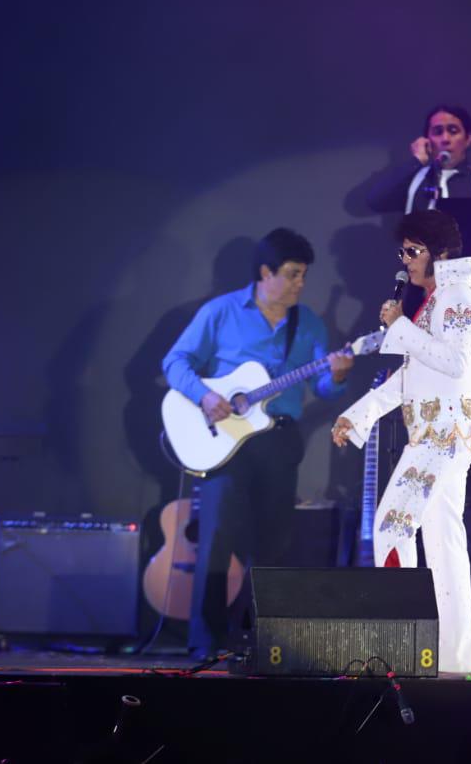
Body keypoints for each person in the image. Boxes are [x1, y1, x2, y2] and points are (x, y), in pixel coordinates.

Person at [162, 228, 352, 658]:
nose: (301, 284)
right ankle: (206, 643)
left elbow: (322, 387)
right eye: (292, 274)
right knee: (217, 538)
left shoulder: (310, 324)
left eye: (304, 275)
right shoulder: (221, 312)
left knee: (274, 542)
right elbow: (175, 362)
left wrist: (337, 375)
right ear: (265, 273)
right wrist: (206, 396)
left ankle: (261, 640)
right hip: (224, 442)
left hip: (279, 440)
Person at [331, 210, 471, 675]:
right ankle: (455, 661)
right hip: (438, 435)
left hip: (443, 436)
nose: (406, 263)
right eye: (403, 252)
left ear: (440, 254)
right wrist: (357, 416)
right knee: (443, 544)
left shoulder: (457, 298)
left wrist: (400, 328)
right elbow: (410, 378)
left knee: (393, 525)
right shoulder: (436, 301)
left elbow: (456, 364)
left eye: (414, 252)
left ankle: (400, 648)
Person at [366, 103, 471, 345]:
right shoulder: (418, 181)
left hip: (467, 299)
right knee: (413, 374)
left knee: (460, 377)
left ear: (468, 138)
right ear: (428, 139)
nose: (445, 138)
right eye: (437, 132)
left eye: (453, 130)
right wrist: (415, 162)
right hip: (418, 297)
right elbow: (376, 199)